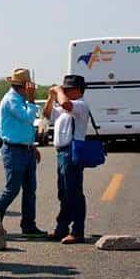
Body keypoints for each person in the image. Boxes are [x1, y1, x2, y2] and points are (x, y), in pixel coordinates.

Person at [0, 68, 46, 238]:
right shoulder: (12, 100)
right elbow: (28, 118)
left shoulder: (20, 99)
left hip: (26, 149)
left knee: (30, 189)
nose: (31, 89)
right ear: (22, 86)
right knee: (12, 189)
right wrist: (31, 99)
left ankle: (28, 225)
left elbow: (25, 127)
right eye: (29, 87)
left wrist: (32, 146)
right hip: (14, 150)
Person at [42, 75, 90, 244]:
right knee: (64, 193)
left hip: (72, 152)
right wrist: (50, 97)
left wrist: (59, 91)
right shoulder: (65, 108)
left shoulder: (80, 105)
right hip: (62, 152)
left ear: (78, 90)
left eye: (69, 89)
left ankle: (78, 231)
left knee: (74, 193)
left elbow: (66, 104)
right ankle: (61, 228)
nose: (66, 92)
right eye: (65, 89)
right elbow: (47, 114)